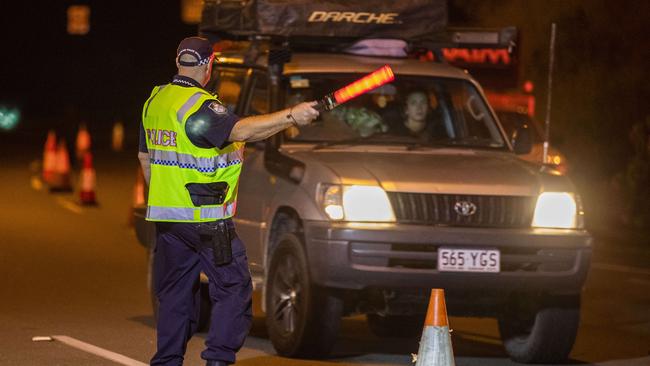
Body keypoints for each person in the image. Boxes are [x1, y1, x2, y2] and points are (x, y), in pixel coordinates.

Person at [138, 37, 319, 366]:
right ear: (208, 65)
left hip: (169, 220)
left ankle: (166, 362)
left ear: (178, 61)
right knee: (234, 289)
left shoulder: (156, 101)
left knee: (175, 295)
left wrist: (166, 196)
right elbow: (242, 131)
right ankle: (218, 360)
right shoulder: (199, 105)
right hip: (208, 220)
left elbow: (145, 158)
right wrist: (292, 115)